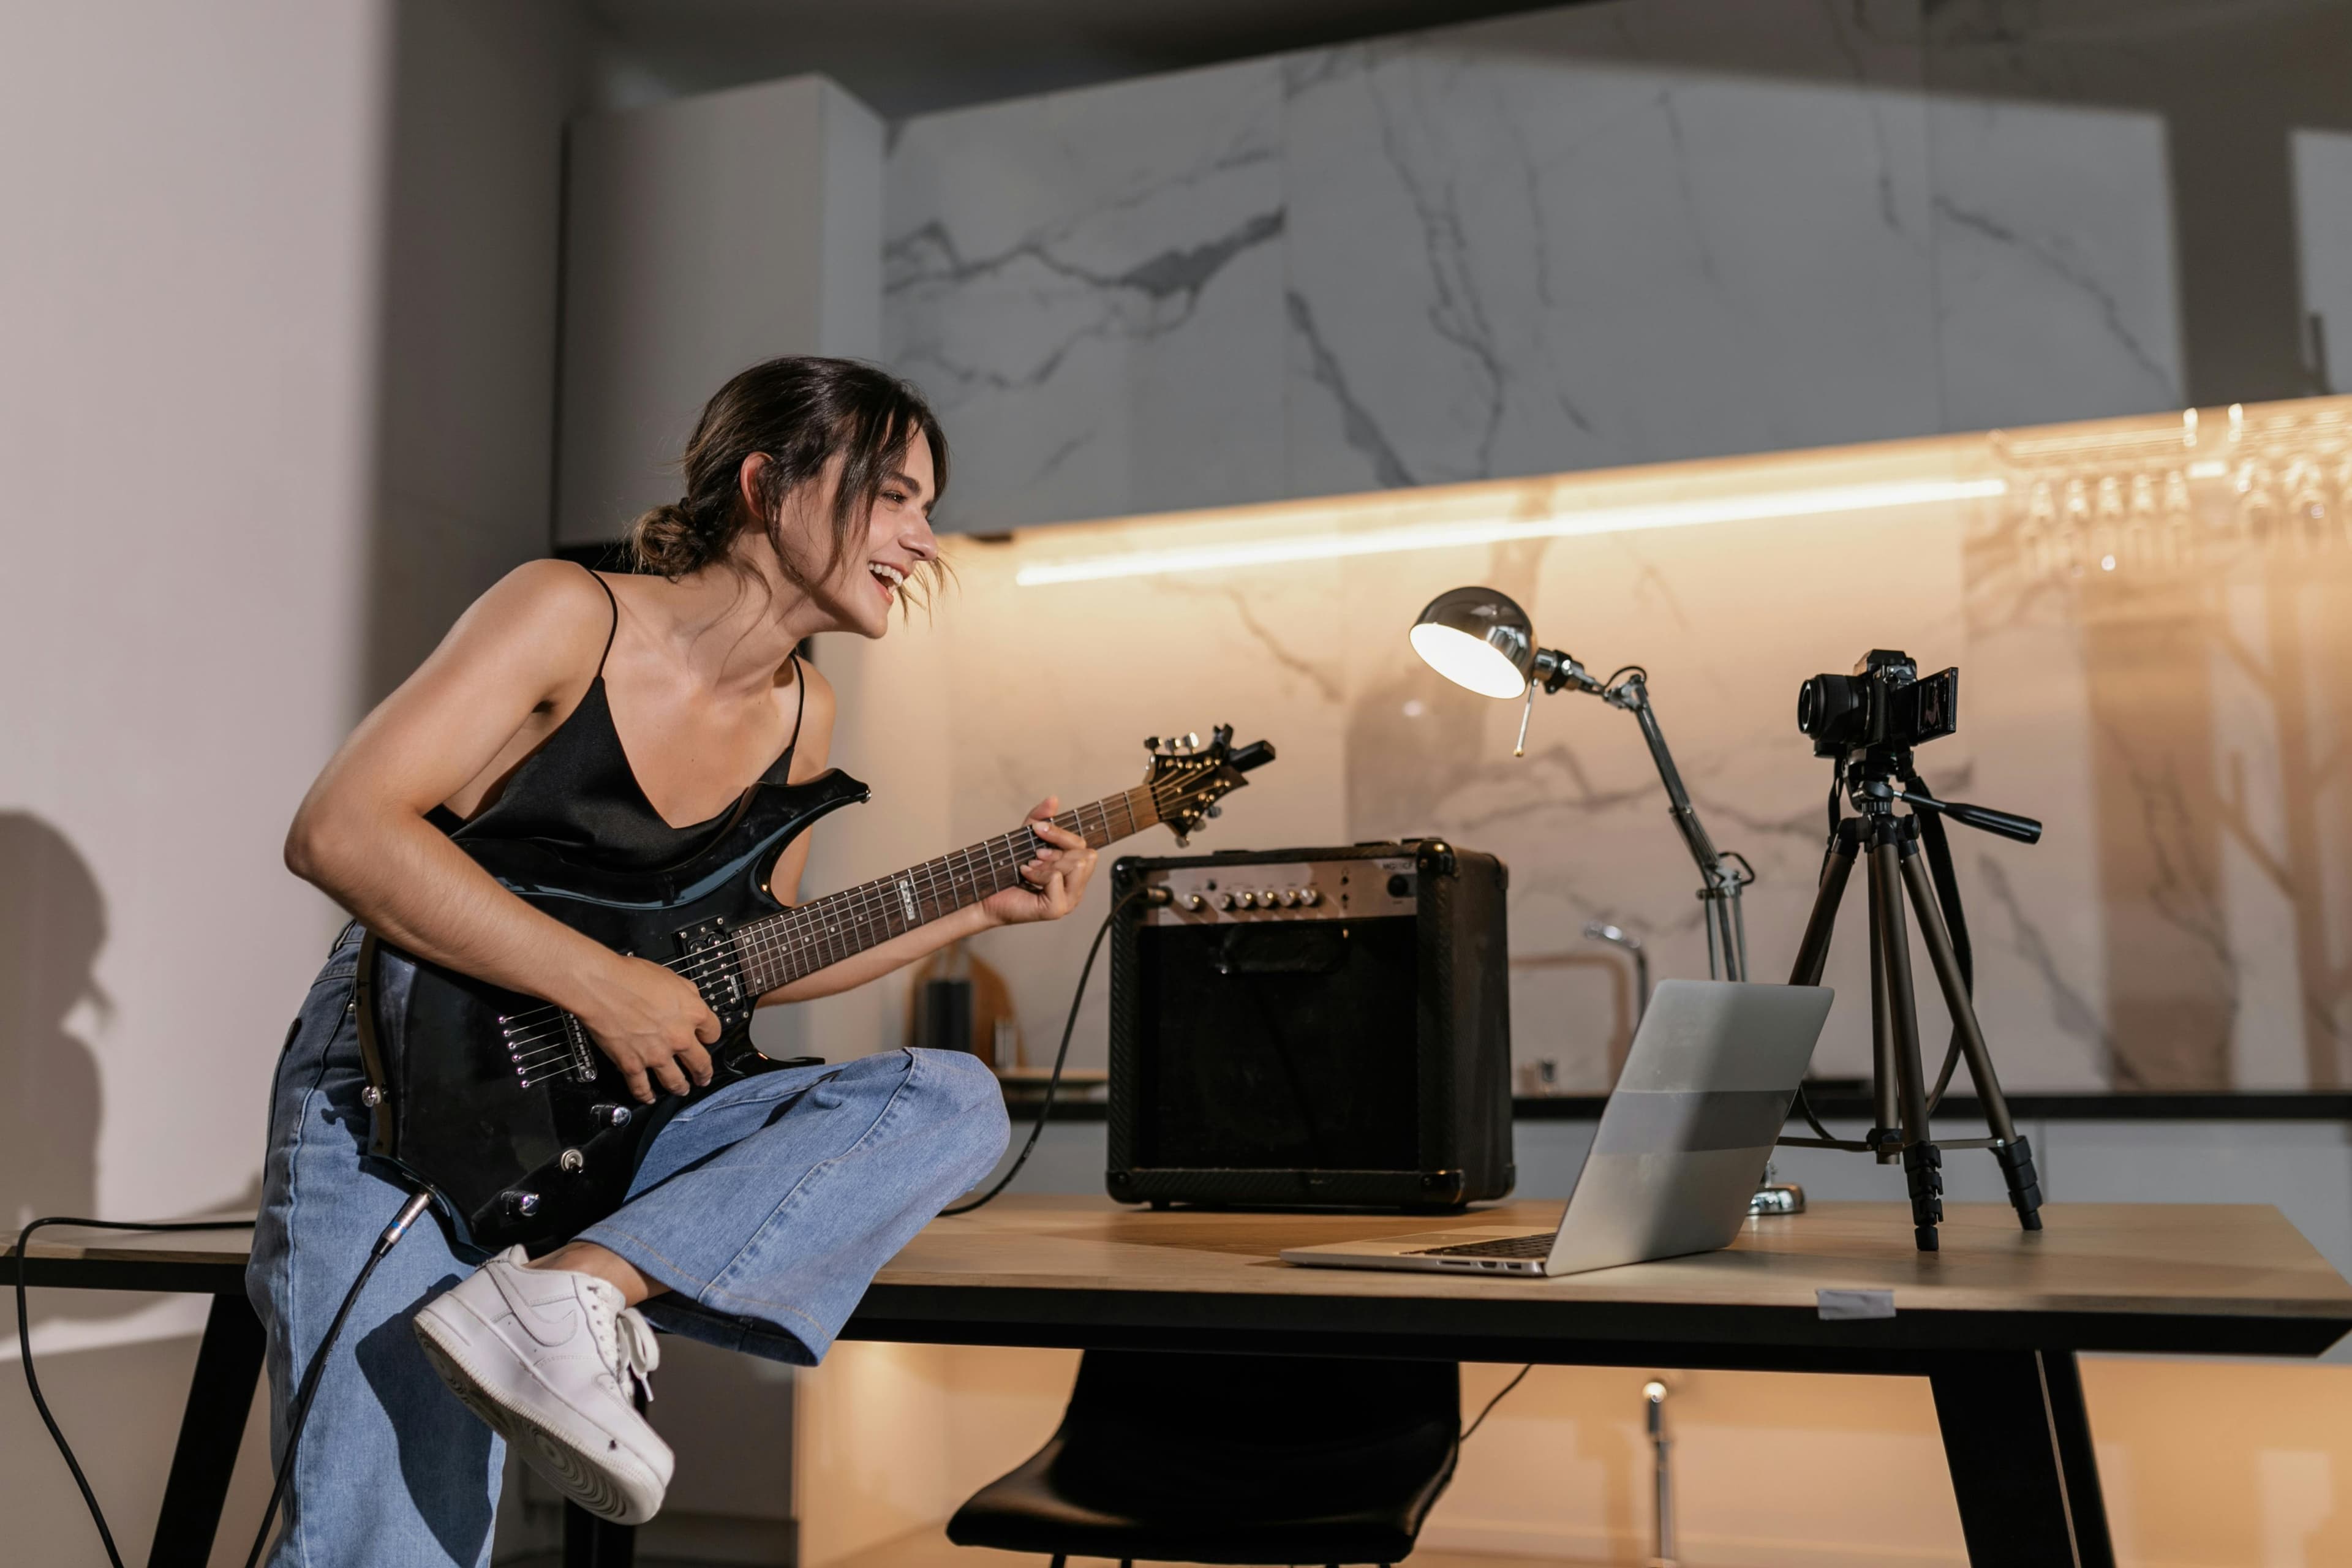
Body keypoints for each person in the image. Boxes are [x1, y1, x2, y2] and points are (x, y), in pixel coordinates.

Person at [249, 358, 1088, 1563]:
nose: (925, 537)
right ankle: (544, 1309)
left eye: (927, 506)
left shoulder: (805, 713)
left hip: (613, 1112)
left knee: (949, 1100)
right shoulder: (564, 613)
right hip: (403, 1085)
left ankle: (573, 1293)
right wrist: (600, 983)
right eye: (898, 494)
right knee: (394, 1550)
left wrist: (977, 905)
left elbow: (746, 964)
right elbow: (342, 828)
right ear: (767, 483)